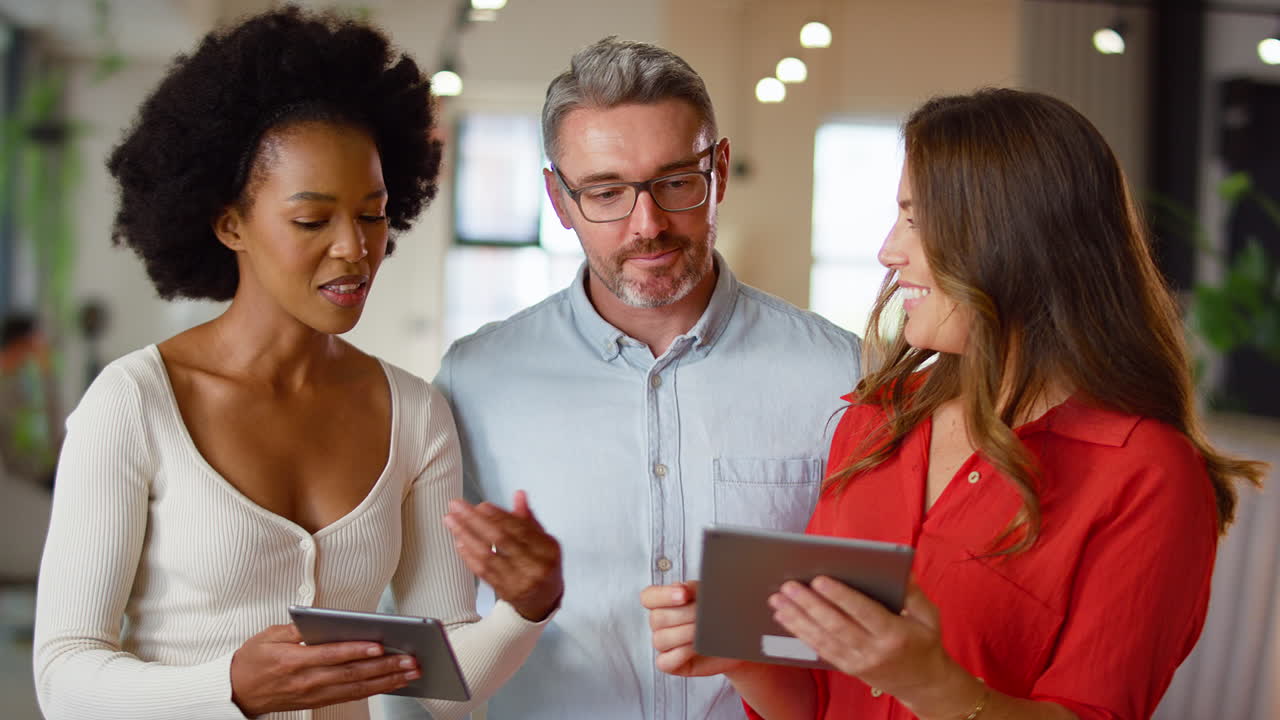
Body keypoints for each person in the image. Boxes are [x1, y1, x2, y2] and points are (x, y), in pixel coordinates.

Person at [643, 88, 1269, 720]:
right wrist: (744, 659)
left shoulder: (1148, 475)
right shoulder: (875, 419)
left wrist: (931, 683)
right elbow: (821, 705)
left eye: (916, 220)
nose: (889, 250)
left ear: (1014, 239)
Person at [32, 8, 562, 720]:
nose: (355, 248)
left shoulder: (412, 412)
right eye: (313, 220)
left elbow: (435, 679)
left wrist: (525, 610)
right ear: (230, 224)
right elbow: (63, 678)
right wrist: (229, 687)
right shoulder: (134, 402)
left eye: (373, 214)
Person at [420, 37, 861, 720]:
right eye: (604, 193)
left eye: (676, 182)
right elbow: (435, 654)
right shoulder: (476, 381)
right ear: (558, 200)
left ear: (718, 168)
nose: (647, 224)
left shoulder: (840, 375)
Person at [0, 311, 62, 487]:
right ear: (22, 342)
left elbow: (52, 423)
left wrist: (46, 374)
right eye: (35, 340)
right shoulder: (8, 385)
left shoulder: (27, 380)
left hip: (42, 476)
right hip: (18, 485)